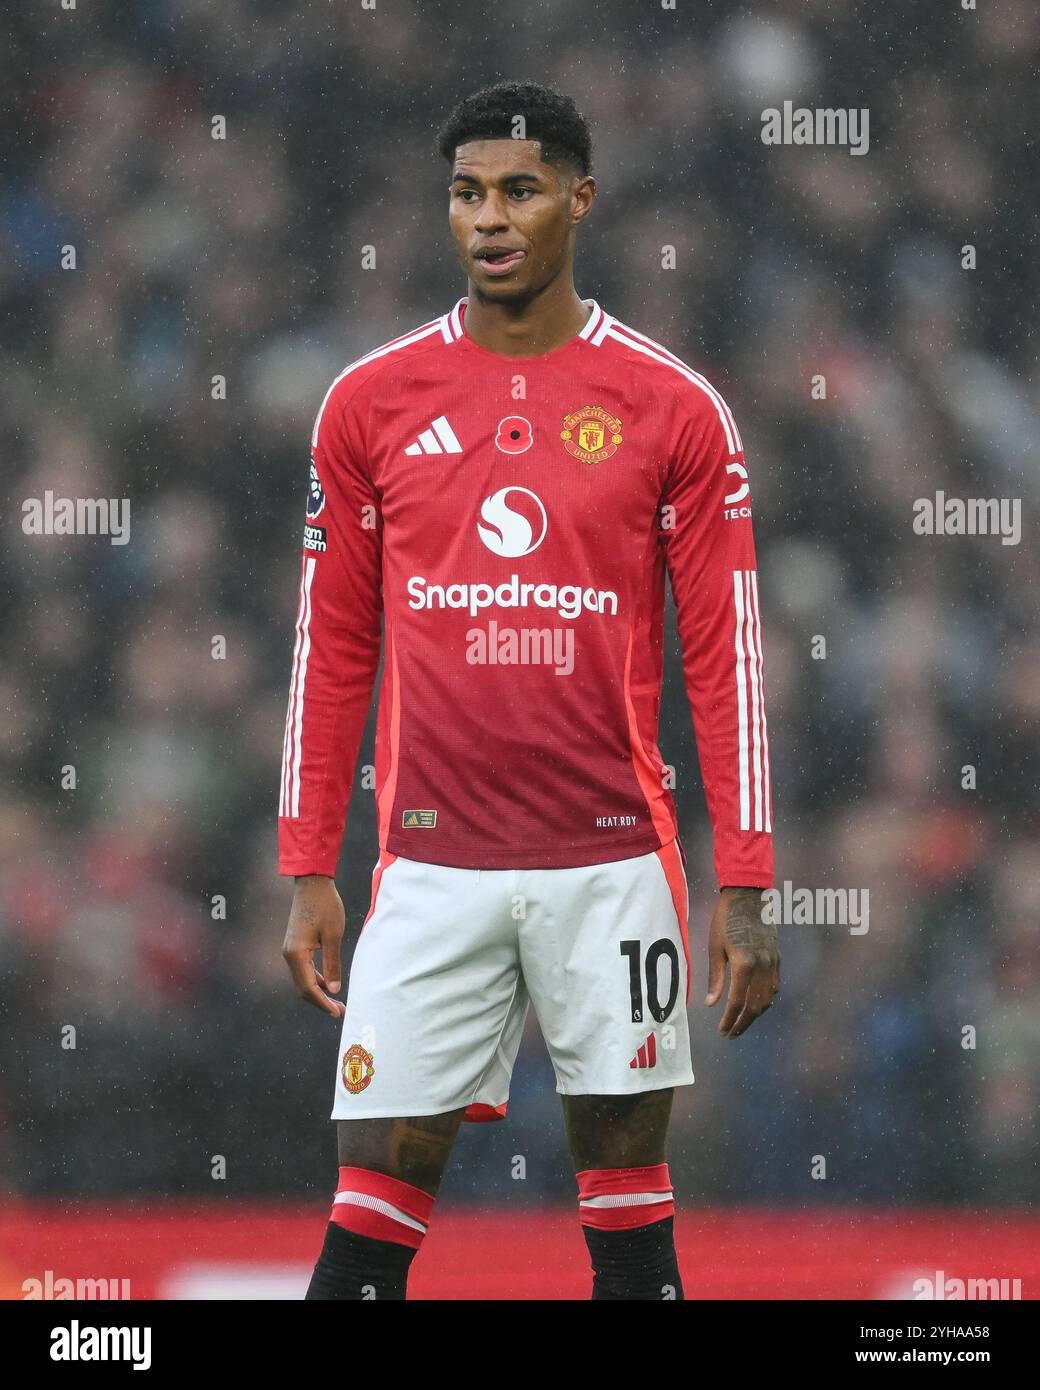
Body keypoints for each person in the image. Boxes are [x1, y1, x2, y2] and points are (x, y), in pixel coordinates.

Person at [279, 81, 780, 1301]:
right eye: (466, 194)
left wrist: (750, 880)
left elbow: (728, 656)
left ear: (579, 199)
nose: (489, 219)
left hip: (611, 867)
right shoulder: (369, 402)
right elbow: (331, 642)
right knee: (363, 1232)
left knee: (629, 1232)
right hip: (427, 866)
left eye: (518, 190)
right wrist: (307, 860)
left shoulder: (671, 408)